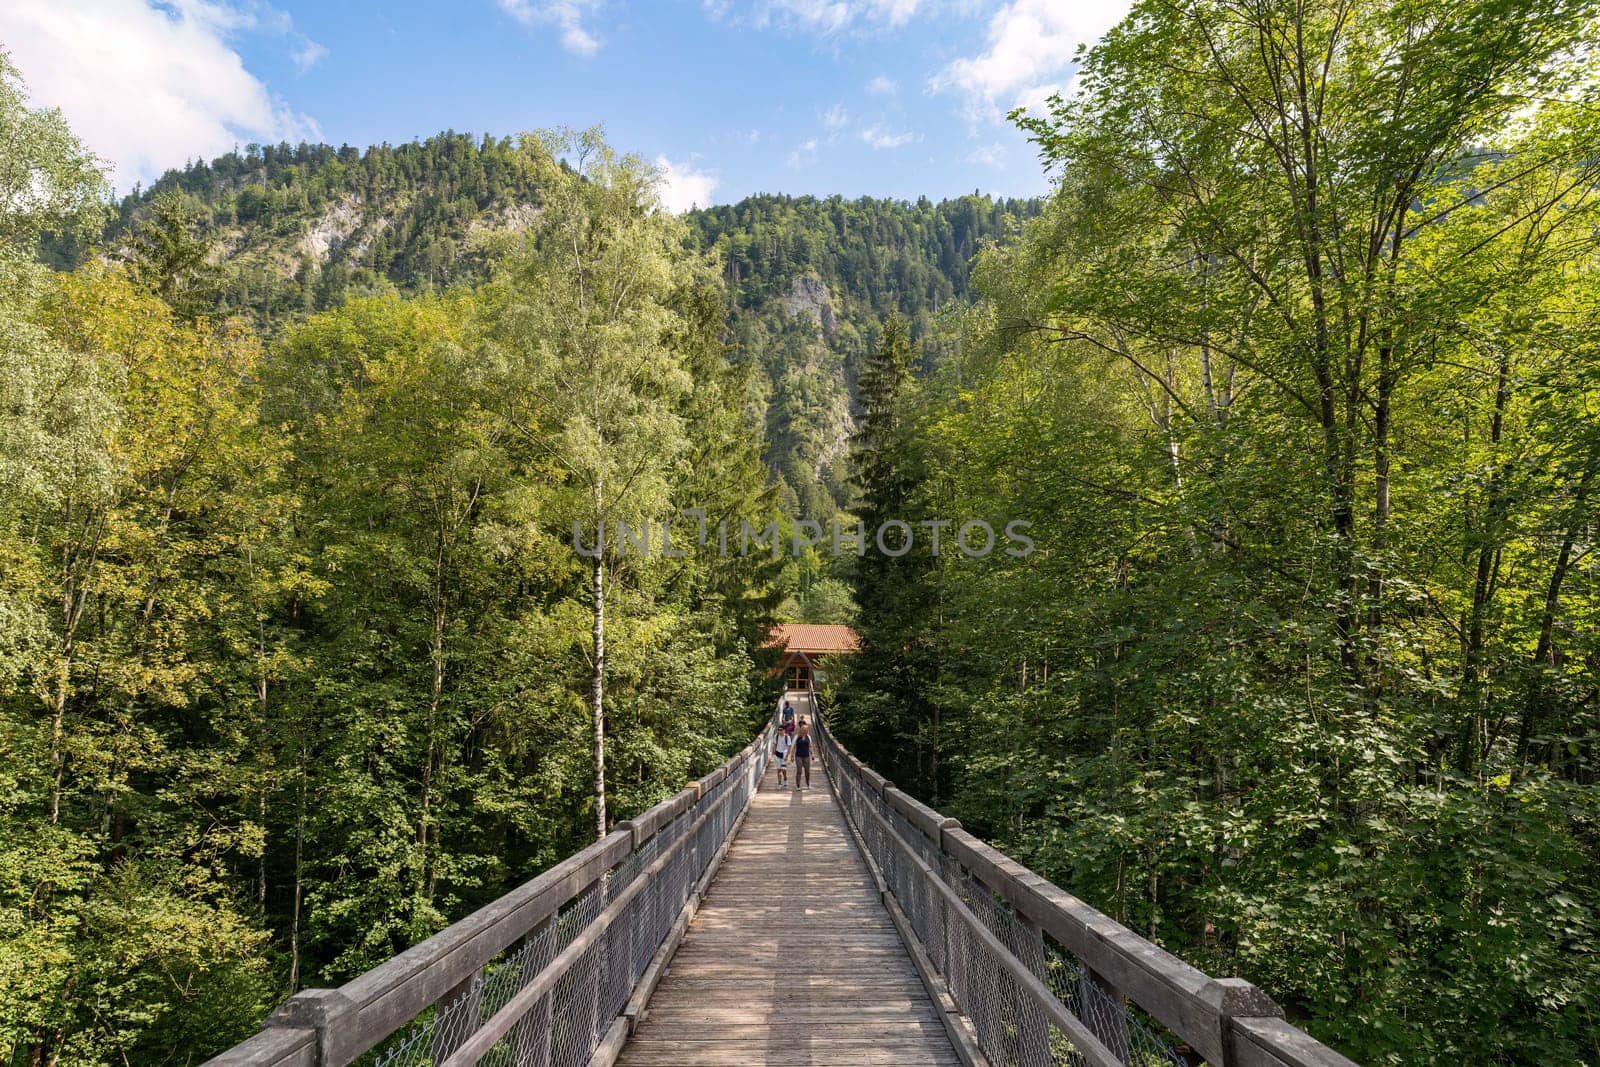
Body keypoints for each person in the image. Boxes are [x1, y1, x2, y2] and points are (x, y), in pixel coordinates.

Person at [792, 717, 812, 791]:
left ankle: (808, 783)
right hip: (798, 756)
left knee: (807, 771)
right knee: (799, 771)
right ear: (802, 730)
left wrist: (812, 754)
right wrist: (791, 755)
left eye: (807, 729)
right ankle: (798, 785)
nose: (806, 731)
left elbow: (810, 746)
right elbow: (793, 746)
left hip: (806, 755)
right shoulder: (796, 737)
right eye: (805, 729)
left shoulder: (808, 737)